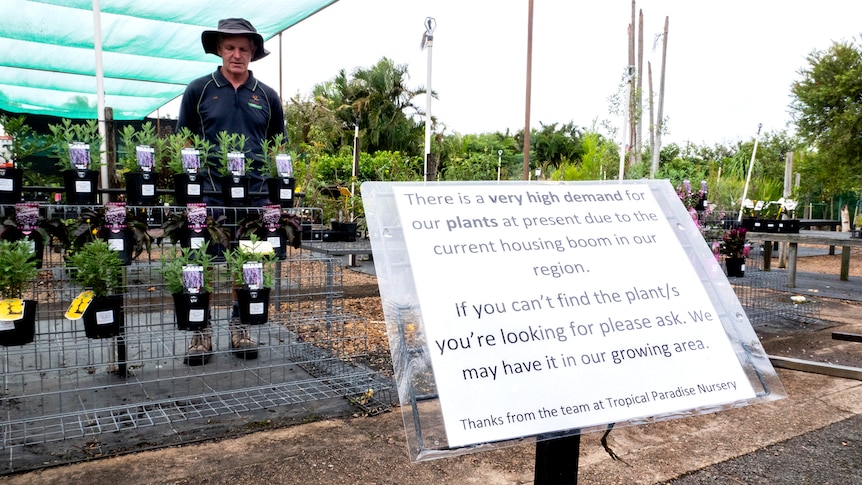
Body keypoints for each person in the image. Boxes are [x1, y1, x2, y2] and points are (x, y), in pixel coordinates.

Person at [176, 18, 286, 365]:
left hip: (254, 195)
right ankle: (201, 332)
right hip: (208, 193)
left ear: (253, 52)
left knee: (248, 261)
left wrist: (273, 197)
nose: (236, 55)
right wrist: (191, 189)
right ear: (220, 50)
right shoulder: (199, 90)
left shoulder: (267, 96)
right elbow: (185, 141)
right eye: (230, 48)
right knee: (199, 262)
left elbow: (276, 147)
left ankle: (240, 326)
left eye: (243, 48)